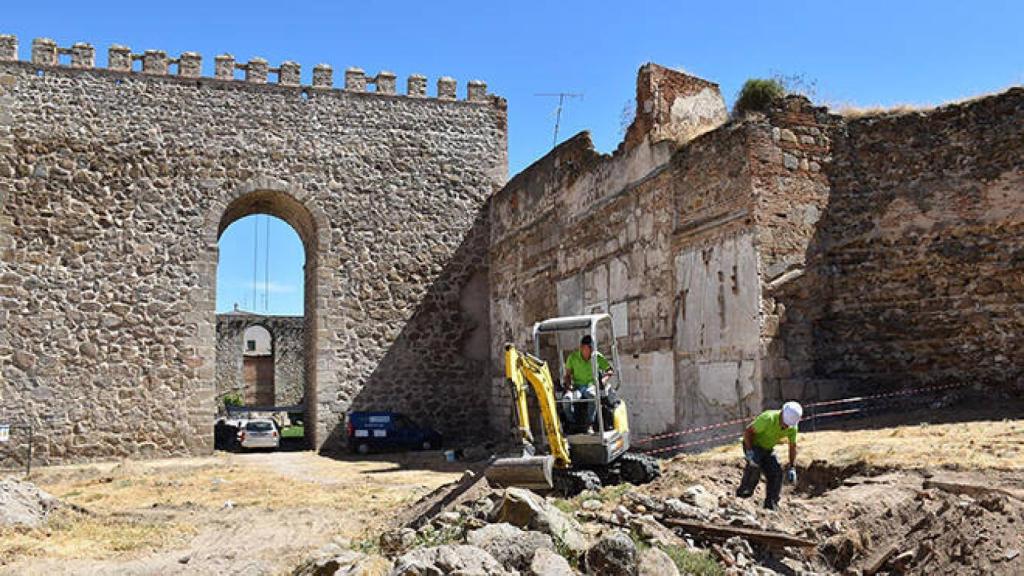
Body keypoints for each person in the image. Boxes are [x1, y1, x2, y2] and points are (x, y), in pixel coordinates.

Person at [736, 401, 802, 510]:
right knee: (754, 467)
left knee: (776, 473)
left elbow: (792, 447)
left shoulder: (792, 427)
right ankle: (742, 496)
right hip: (753, 445)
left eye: (787, 426)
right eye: (784, 424)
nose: (785, 427)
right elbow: (748, 432)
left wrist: (792, 467)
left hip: (767, 449)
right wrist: (749, 452)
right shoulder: (767, 419)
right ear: (781, 414)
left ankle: (771, 505)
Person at [561, 335, 613, 432]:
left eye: (590, 349)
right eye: (586, 348)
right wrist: (569, 386)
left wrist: (603, 380)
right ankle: (572, 423)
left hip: (591, 386)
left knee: (592, 395)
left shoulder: (597, 356)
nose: (588, 351)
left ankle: (590, 424)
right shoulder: (572, 358)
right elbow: (567, 375)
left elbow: (609, 370)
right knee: (566, 400)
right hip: (577, 387)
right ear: (581, 347)